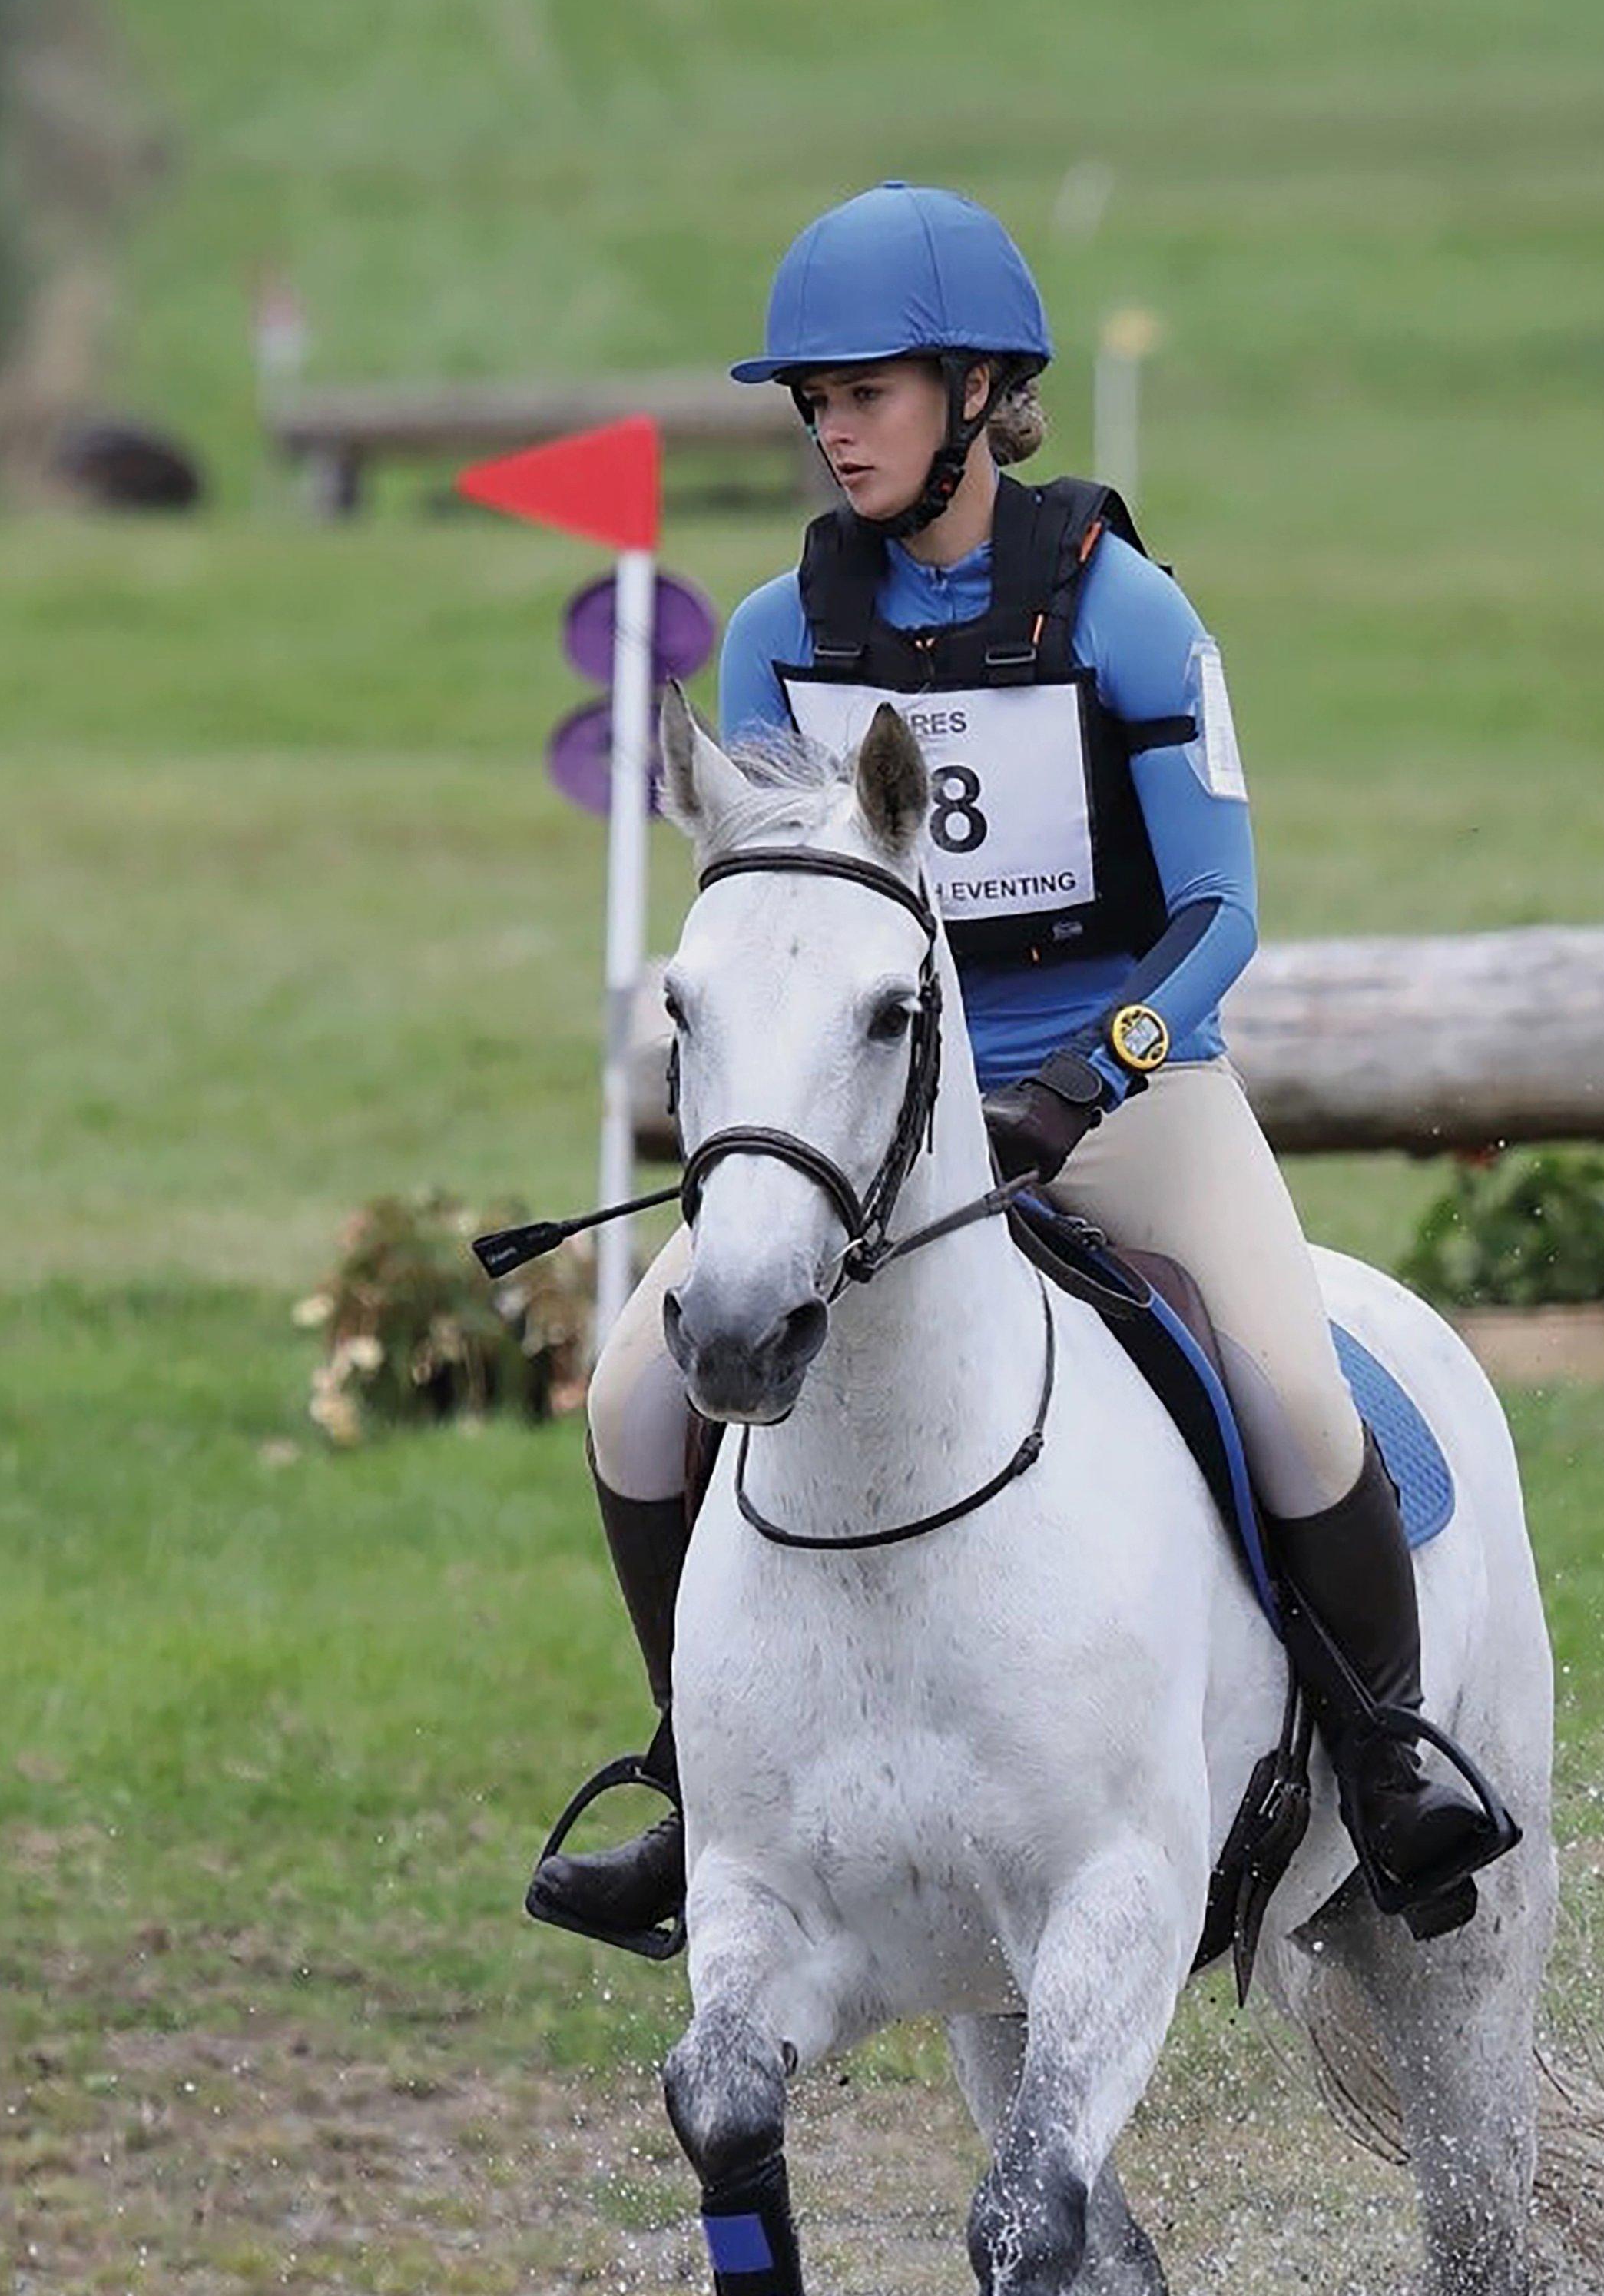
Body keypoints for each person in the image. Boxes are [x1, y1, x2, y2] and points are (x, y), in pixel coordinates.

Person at [527, 180, 1513, 1963]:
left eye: (869, 394)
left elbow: (1221, 908)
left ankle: (1384, 1762)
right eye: (812, 403)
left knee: (1293, 1395)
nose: (833, 432)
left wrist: (1086, 1082)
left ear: (980, 392)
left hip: (1120, 1082)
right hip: (868, 1107)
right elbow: (765, 927)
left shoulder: (1122, 609)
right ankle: (699, 1785)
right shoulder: (773, 635)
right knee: (627, 1400)